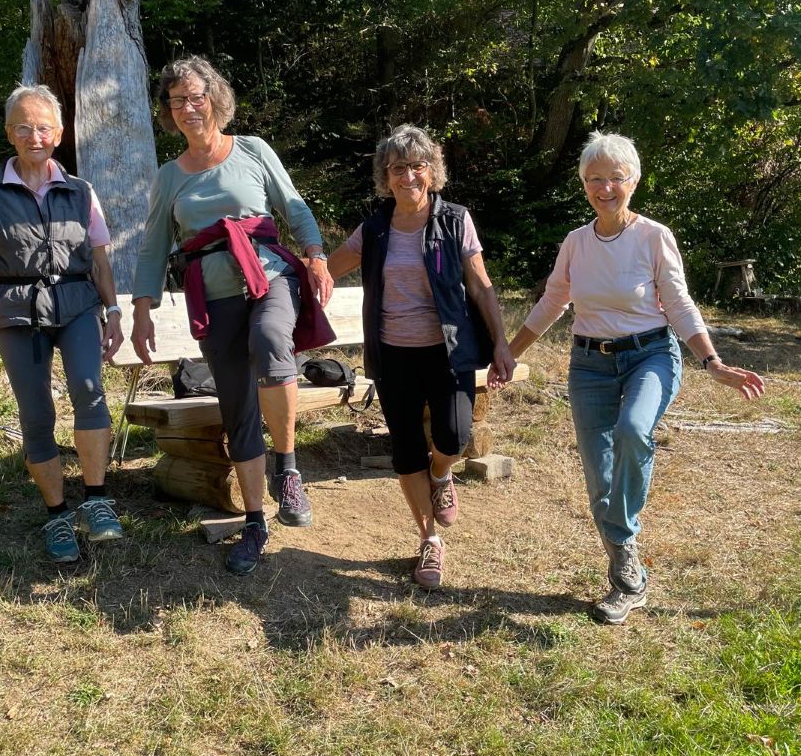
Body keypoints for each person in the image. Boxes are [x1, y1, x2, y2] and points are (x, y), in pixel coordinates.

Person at [507, 131, 765, 624]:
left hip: (650, 356)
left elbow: (679, 303)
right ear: (584, 184)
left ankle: (622, 550)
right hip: (589, 365)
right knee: (598, 476)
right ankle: (628, 573)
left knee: (632, 430)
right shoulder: (576, 243)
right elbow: (553, 301)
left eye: (615, 177)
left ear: (634, 181)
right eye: (594, 178)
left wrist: (712, 362)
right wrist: (508, 354)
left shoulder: (652, 236)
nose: (605, 188)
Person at [130, 56, 334, 576]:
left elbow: (293, 206)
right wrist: (142, 310)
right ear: (168, 110)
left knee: (269, 340)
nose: (187, 108)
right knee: (237, 406)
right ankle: (255, 522)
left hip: (270, 277)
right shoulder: (168, 177)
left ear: (215, 100)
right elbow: (153, 247)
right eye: (177, 100)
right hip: (214, 297)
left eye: (196, 97)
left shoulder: (252, 150)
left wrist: (315, 254)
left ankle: (287, 470)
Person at [328, 124, 515, 588]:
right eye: (398, 168)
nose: (408, 176)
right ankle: (430, 541)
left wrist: (500, 343)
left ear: (432, 172)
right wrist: (289, 271)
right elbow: (329, 267)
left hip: (448, 351)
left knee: (454, 437)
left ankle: (441, 474)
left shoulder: (454, 220)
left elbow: (480, 286)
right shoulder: (375, 229)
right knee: (406, 448)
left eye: (417, 166)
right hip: (393, 354)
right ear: (385, 176)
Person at [0, 84, 126, 564]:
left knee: (89, 389)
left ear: (59, 134)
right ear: (10, 133)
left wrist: (112, 312)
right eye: (23, 127)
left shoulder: (81, 191)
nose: (35, 136)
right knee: (36, 413)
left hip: (77, 303)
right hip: (17, 309)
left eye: (44, 127)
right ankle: (58, 515)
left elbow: (100, 260)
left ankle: (97, 500)